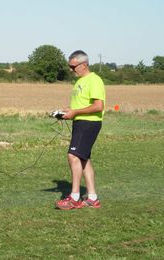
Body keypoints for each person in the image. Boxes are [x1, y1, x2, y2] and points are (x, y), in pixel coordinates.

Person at [55, 50, 106, 210]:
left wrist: (75, 112)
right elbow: (81, 105)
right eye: (70, 66)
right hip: (80, 122)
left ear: (84, 64)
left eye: (73, 66)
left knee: (73, 156)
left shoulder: (94, 80)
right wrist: (68, 110)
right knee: (84, 159)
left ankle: (74, 198)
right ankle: (92, 198)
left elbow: (99, 106)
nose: (71, 69)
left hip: (89, 123)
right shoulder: (79, 82)